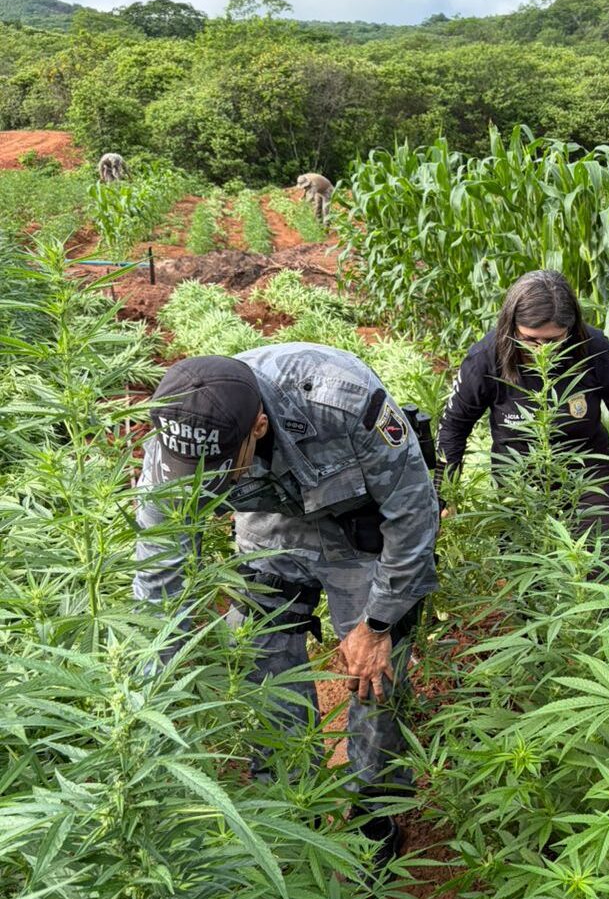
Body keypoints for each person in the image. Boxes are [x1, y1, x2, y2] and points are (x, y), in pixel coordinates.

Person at [133, 344, 439, 862]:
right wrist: (153, 697)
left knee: (375, 674)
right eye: (194, 472)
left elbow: (413, 516)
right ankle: (291, 804)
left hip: (358, 521)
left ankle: (374, 807)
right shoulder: (177, 439)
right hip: (269, 524)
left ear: (257, 427)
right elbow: (160, 574)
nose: (205, 483)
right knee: (258, 655)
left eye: (219, 468)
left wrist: (378, 624)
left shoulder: (343, 399)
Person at [436, 270, 609, 569]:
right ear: (511, 326)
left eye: (553, 340)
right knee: (530, 576)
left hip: (587, 469)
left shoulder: (594, 348)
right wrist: (441, 495)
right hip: (519, 479)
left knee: (607, 562)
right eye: (530, 339)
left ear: (571, 328)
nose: (543, 350)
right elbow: (454, 425)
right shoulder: (486, 357)